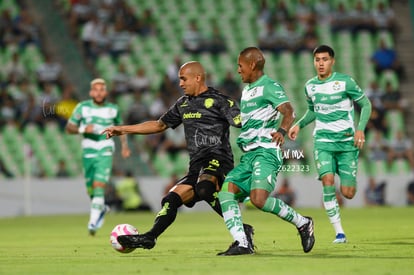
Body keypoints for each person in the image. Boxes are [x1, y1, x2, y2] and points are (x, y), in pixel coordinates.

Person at [102, 61, 254, 250]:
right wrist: (123, 130)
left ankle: (242, 234)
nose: (180, 83)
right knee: (170, 200)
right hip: (196, 165)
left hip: (218, 159)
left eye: (183, 79)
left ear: (197, 77)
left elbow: (242, 122)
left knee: (205, 187)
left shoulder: (220, 101)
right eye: (179, 79)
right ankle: (150, 237)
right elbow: (159, 125)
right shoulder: (183, 104)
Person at [217, 47, 315, 256]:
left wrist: (281, 130)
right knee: (226, 192)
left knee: (258, 200)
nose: (238, 70)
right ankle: (242, 242)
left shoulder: (269, 86)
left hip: (267, 151)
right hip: (249, 155)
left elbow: (288, 110)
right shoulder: (247, 91)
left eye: (240, 66)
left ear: (252, 65)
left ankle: (303, 223)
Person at [288, 45, 372, 244]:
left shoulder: (345, 82)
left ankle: (347, 179)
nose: (321, 63)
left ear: (332, 61)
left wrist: (360, 129)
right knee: (327, 181)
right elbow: (313, 111)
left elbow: (366, 104)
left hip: (346, 143)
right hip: (323, 142)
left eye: (324, 59)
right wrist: (298, 125)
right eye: (317, 59)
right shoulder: (310, 86)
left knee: (348, 193)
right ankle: (339, 233)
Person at [66, 78, 130, 236]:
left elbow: (121, 128)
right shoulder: (83, 107)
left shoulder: (113, 109)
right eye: (96, 89)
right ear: (91, 92)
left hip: (105, 149)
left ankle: (93, 223)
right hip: (88, 151)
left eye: (102, 89)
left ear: (106, 92)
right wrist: (82, 129)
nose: (99, 92)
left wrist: (124, 146)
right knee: (91, 190)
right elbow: (69, 128)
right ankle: (100, 209)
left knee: (99, 184)